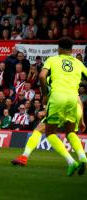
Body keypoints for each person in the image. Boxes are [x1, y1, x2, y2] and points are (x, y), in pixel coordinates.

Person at [38, 37, 87, 176]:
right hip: (73, 99)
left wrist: (45, 94)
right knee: (71, 132)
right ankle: (83, 157)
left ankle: (71, 162)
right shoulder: (78, 63)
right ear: (71, 50)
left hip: (57, 97)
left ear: (58, 48)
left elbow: (42, 76)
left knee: (50, 133)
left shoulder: (52, 60)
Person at [12, 97, 85, 167]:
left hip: (59, 107)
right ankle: (83, 158)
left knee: (40, 131)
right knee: (71, 134)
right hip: (76, 109)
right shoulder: (73, 84)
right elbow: (79, 100)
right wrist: (81, 120)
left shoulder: (54, 84)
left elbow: (52, 99)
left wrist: (44, 112)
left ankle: (24, 156)